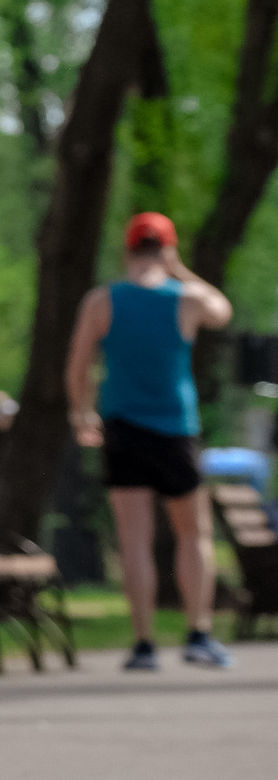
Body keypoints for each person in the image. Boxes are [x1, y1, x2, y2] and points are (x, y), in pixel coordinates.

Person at [66, 211, 238, 671]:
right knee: (192, 534)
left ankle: (144, 643)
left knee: (133, 540)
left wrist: (81, 414)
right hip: (176, 430)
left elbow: (78, 364)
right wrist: (179, 269)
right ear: (167, 248)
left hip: (122, 429)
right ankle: (198, 633)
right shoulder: (187, 297)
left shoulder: (103, 301)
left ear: (126, 250)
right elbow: (223, 311)